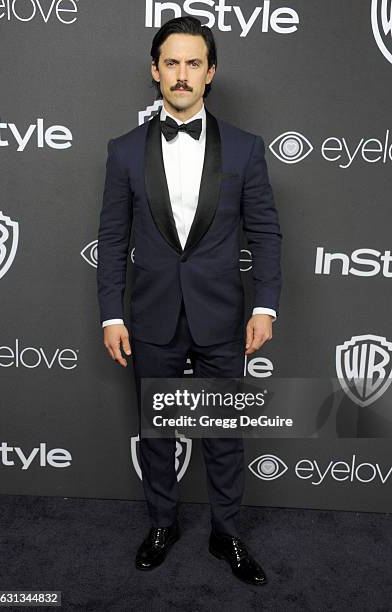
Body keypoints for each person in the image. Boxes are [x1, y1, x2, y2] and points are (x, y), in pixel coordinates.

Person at [97, 16, 282, 587]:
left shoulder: (247, 151)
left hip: (222, 316)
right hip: (150, 315)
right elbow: (112, 237)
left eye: (193, 63)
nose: (182, 75)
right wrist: (111, 312)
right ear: (155, 72)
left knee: (224, 434)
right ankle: (162, 524)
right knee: (157, 434)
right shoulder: (124, 151)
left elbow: (266, 233)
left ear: (210, 72)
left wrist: (264, 306)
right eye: (171, 63)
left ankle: (226, 532)